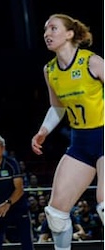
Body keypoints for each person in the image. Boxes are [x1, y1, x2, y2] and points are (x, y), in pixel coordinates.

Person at [29, 13, 103, 250]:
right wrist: (43, 130)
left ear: (70, 34)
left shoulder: (92, 62)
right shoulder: (50, 70)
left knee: (103, 203)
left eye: (53, 28)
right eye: (45, 30)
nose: (47, 34)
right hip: (80, 142)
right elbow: (57, 107)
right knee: (56, 213)